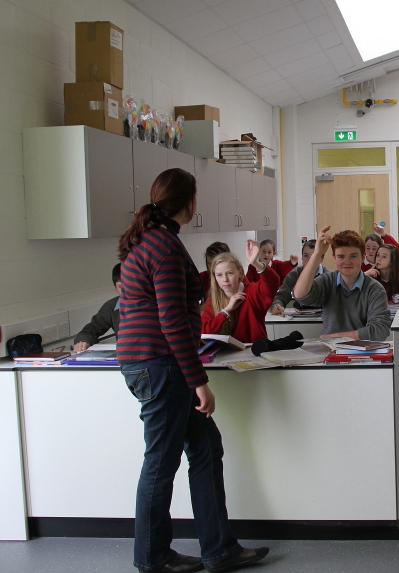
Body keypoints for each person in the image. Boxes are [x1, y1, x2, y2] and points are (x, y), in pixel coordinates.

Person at [116, 168, 268, 573]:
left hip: (152, 363)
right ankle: (152, 557)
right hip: (160, 366)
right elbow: (171, 320)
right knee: (160, 462)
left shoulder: (149, 240)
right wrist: (198, 381)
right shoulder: (163, 246)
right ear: (190, 202)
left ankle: (219, 549)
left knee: (205, 447)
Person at [294, 227, 392, 341]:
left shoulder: (374, 289)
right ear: (334, 258)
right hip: (330, 349)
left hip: (363, 349)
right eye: (341, 257)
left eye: (353, 256)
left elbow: (380, 330)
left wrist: (334, 337)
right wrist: (317, 254)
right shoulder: (327, 281)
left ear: (362, 257)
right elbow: (300, 295)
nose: (347, 262)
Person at [202, 240, 281, 343]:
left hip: (254, 351)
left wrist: (255, 262)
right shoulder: (212, 301)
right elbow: (204, 332)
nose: (225, 279)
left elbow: (273, 281)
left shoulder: (252, 292)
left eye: (229, 273)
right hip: (225, 353)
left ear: (240, 273)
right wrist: (226, 311)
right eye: (219, 275)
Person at [269, 239, 333, 314]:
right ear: (302, 257)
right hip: (300, 316)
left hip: (323, 317)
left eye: (314, 256)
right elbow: (281, 296)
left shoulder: (329, 276)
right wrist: (277, 305)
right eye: (306, 256)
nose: (309, 260)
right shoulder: (294, 274)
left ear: (321, 258)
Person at [72, 263, 122, 352]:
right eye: (121, 287)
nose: (127, 291)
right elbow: (90, 330)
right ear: (115, 288)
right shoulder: (111, 306)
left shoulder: (149, 304)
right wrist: (83, 341)